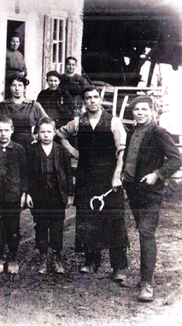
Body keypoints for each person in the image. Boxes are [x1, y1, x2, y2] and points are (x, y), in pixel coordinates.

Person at [56, 87, 129, 284]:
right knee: (87, 217)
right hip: (86, 176)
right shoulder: (79, 122)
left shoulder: (113, 121)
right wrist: (73, 151)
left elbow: (122, 152)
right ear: (84, 101)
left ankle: (118, 266)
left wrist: (117, 175)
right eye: (88, 98)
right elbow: (59, 134)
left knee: (114, 219)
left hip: (108, 176)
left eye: (95, 97)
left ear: (100, 99)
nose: (92, 101)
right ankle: (91, 260)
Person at [121, 96, 182, 302]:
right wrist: (123, 175)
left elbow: (176, 159)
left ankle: (147, 283)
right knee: (141, 232)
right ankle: (142, 277)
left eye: (144, 109)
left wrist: (156, 174)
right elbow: (130, 160)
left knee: (146, 233)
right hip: (133, 191)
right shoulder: (132, 132)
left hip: (151, 192)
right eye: (136, 110)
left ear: (152, 111)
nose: (140, 113)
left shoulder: (159, 133)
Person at [26, 117, 73, 274]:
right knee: (41, 225)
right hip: (39, 196)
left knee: (57, 226)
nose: (46, 135)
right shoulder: (32, 151)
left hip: (57, 195)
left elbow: (68, 173)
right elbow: (27, 175)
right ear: (37, 134)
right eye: (42, 132)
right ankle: (43, 257)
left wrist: (70, 195)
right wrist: (27, 194)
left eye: (49, 132)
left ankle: (57, 256)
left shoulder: (61, 150)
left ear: (54, 132)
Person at [0, 116, 28, 274]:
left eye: (6, 130)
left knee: (13, 228)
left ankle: (13, 257)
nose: (3, 134)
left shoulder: (18, 149)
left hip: (13, 195)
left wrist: (24, 192)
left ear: (12, 130)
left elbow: (25, 173)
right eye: (0, 130)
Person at [0, 76, 48, 152]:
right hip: (8, 144)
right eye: (14, 85)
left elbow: (46, 122)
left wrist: (38, 136)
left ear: (24, 88)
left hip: (28, 144)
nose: (17, 88)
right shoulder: (2, 106)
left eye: (20, 85)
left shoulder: (33, 105)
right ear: (10, 88)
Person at [5, 32, 27, 98]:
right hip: (9, 82)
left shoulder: (20, 54)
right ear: (9, 42)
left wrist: (24, 73)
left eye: (17, 42)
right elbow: (3, 71)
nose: (15, 44)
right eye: (13, 41)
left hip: (20, 81)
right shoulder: (6, 53)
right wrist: (15, 75)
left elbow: (24, 68)